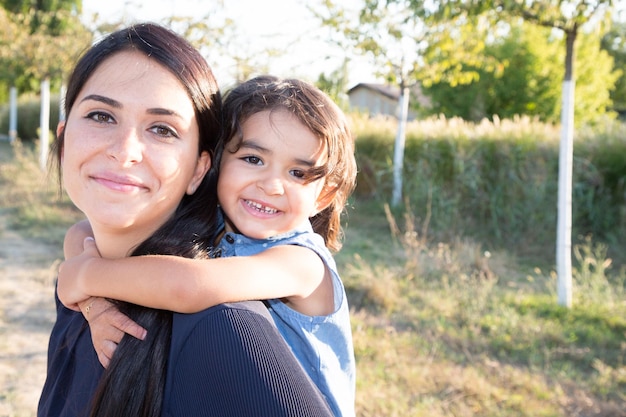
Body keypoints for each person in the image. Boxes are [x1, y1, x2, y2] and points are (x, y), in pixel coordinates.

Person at [38, 23, 333, 417]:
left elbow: (188, 286)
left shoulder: (225, 326)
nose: (124, 152)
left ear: (199, 169)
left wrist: (84, 276)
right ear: (62, 139)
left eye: (162, 129)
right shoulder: (84, 292)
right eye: (101, 115)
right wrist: (88, 295)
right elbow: (80, 235)